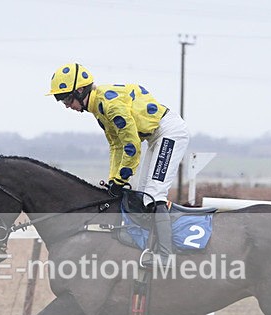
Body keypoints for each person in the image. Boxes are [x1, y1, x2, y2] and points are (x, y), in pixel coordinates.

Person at [46, 62, 189, 264]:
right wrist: (113, 180)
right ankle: (151, 245)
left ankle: (166, 256)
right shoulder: (98, 109)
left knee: (155, 195)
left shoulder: (110, 105)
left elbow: (131, 146)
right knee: (144, 195)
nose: (67, 105)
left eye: (67, 99)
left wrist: (121, 180)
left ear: (80, 90)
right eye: (62, 101)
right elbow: (116, 147)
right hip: (155, 136)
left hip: (170, 132)